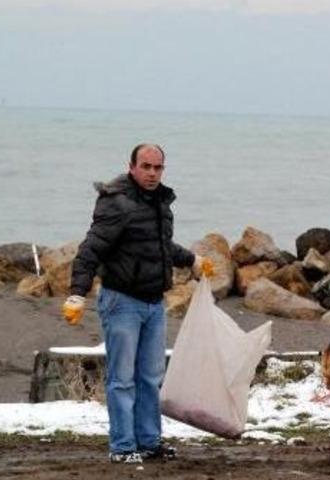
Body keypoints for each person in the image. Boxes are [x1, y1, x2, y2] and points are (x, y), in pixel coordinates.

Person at [63, 143, 208, 464]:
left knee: (150, 378)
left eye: (158, 167)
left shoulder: (160, 202)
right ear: (132, 167)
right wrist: (77, 292)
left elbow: (158, 244)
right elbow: (92, 248)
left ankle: (149, 442)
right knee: (122, 379)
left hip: (154, 303)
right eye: (146, 167)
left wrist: (192, 261)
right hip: (122, 302)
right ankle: (123, 447)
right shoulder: (117, 203)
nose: (153, 173)